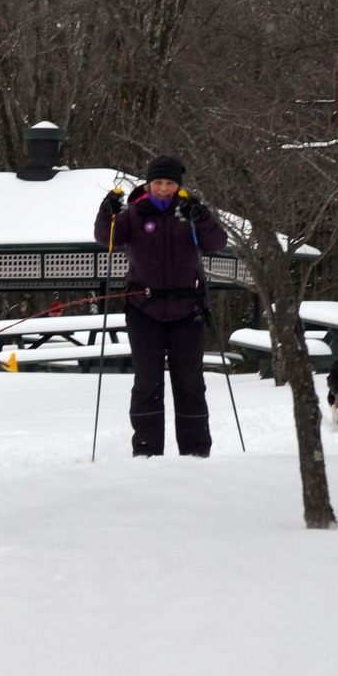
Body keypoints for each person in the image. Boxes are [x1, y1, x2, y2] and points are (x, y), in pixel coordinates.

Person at [93, 156, 229, 457]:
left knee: (190, 384)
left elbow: (218, 242)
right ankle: (146, 452)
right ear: (148, 183)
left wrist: (202, 216)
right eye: (158, 183)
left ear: (178, 185)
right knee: (147, 384)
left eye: (169, 183)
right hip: (144, 310)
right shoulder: (134, 214)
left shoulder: (191, 212)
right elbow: (107, 238)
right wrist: (107, 214)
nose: (164, 188)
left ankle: (196, 453)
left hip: (188, 311)